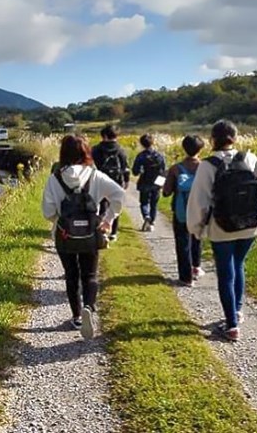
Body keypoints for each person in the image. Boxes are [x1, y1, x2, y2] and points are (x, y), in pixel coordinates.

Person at [187, 120, 257, 341]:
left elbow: (198, 201)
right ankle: (237, 312)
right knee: (239, 264)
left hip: (222, 227)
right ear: (235, 138)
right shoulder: (250, 158)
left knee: (225, 272)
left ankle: (231, 325)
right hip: (251, 225)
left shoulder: (207, 165)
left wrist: (196, 229)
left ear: (212, 140)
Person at [42, 134, 125, 339]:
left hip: (65, 235)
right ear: (86, 152)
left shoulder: (55, 178)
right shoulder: (95, 175)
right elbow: (119, 195)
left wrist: (58, 220)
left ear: (63, 153)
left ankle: (77, 316)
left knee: (71, 275)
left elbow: (47, 211)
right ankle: (89, 305)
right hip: (90, 233)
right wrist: (108, 220)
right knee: (90, 275)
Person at [163, 135, 205, 287]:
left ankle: (185, 278)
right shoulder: (204, 167)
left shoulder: (176, 168)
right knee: (197, 239)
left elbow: (166, 192)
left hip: (181, 212)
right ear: (201, 149)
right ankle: (196, 268)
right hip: (200, 210)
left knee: (182, 243)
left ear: (184, 148)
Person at [92, 124, 130, 241]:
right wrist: (126, 181)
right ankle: (113, 232)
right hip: (116, 180)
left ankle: (99, 230)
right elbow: (125, 167)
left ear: (104, 136)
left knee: (101, 205)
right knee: (115, 204)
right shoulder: (121, 150)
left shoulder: (96, 149)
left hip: (99, 181)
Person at [132, 133, 165, 231]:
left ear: (142, 144)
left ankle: (146, 215)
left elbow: (135, 171)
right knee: (154, 204)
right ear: (153, 142)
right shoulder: (159, 156)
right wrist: (161, 184)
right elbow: (163, 170)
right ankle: (152, 223)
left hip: (144, 182)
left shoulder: (141, 156)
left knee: (144, 202)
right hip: (156, 183)